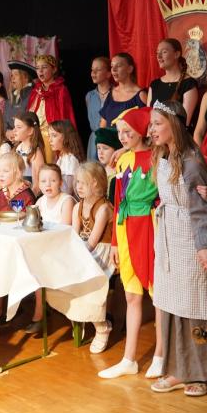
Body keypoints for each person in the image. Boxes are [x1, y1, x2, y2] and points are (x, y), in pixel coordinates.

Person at [147, 101, 207, 398]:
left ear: (174, 125)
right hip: (169, 237)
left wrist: (203, 246)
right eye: (151, 124)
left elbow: (200, 209)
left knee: (195, 305)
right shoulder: (165, 155)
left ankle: (203, 372)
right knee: (173, 304)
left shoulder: (191, 161)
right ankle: (180, 369)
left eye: (157, 123)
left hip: (189, 239)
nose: (151, 129)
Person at [99, 107, 160, 379]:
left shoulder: (158, 157)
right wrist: (114, 241)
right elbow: (118, 202)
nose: (122, 137)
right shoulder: (123, 160)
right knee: (131, 294)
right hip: (125, 229)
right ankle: (129, 358)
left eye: (128, 132)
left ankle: (161, 355)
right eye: (120, 133)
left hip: (148, 226)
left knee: (158, 296)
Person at [71, 161, 115, 352]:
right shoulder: (77, 207)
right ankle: (80, 315)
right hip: (84, 250)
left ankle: (102, 327)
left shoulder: (103, 209)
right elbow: (75, 236)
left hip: (101, 251)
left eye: (83, 183)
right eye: (77, 182)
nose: (78, 186)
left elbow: (92, 242)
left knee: (88, 280)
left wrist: (77, 257)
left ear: (96, 184)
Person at [27, 55, 76, 152]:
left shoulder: (61, 90)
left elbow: (66, 117)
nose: (40, 71)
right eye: (38, 68)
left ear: (54, 70)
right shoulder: (36, 91)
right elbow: (29, 114)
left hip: (52, 139)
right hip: (35, 138)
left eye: (44, 67)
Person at [146, 39, 199, 129]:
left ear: (176, 54)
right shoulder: (154, 85)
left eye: (164, 52)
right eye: (157, 53)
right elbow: (149, 119)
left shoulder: (188, 84)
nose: (159, 56)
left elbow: (184, 123)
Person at [98, 52, 148, 129]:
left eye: (118, 66)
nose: (113, 70)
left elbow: (146, 126)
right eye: (112, 66)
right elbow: (103, 125)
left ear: (130, 69)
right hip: (109, 137)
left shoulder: (141, 95)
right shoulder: (111, 93)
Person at [86, 56, 113, 160]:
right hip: (95, 140)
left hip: (111, 139)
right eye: (92, 70)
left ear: (108, 73)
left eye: (98, 70)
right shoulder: (89, 96)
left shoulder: (116, 93)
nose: (93, 73)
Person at [48, 119, 84, 196]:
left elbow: (67, 191)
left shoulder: (69, 160)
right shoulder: (62, 157)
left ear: (66, 137)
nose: (49, 140)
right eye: (49, 136)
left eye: (54, 136)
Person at [11, 112, 46, 185]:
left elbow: (37, 185)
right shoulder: (16, 149)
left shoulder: (35, 154)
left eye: (19, 127)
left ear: (30, 131)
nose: (14, 130)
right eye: (14, 127)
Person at [5, 61, 36, 136]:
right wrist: (7, 132)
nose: (12, 78)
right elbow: (5, 122)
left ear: (26, 77)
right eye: (11, 75)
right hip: (11, 139)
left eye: (16, 74)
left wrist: (17, 133)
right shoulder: (10, 98)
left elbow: (32, 121)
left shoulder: (33, 95)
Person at [93, 127, 121, 204]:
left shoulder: (120, 170)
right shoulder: (99, 170)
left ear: (116, 150)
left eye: (105, 148)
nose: (100, 152)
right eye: (98, 148)